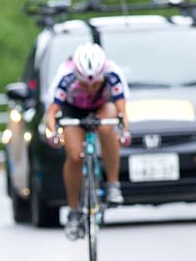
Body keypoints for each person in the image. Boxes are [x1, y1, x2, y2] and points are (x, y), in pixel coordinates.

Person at [44, 42, 131, 240]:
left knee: (106, 126)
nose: (90, 88)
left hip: (103, 106)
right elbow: (52, 113)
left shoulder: (112, 73)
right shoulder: (65, 76)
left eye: (95, 83)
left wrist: (124, 130)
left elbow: (122, 111)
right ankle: (74, 211)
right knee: (74, 156)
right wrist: (52, 133)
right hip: (72, 109)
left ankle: (113, 184)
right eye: (84, 84)